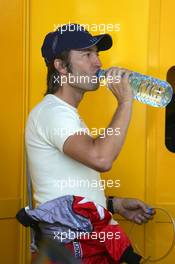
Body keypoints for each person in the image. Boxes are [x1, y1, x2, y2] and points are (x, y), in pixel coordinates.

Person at [24, 23, 155, 263]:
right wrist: (125, 102)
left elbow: (66, 194)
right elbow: (101, 159)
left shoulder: (64, 114)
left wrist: (115, 205)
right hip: (67, 251)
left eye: (97, 54)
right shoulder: (54, 112)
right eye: (87, 55)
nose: (98, 63)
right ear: (61, 66)